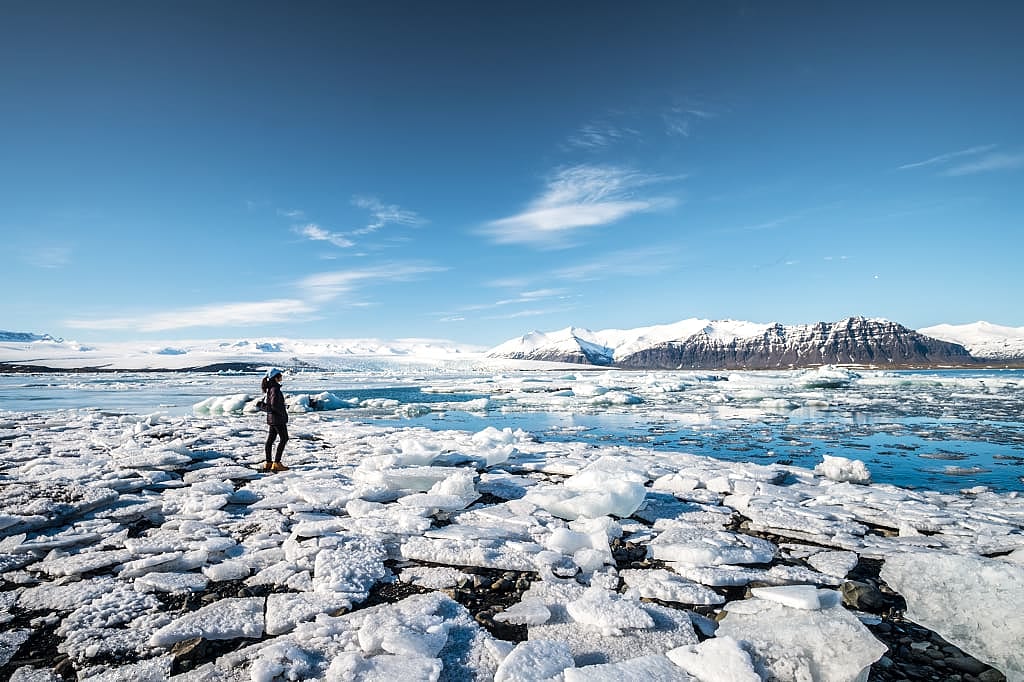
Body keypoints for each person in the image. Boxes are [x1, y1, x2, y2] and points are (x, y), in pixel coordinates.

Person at [261, 368, 289, 472]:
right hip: (277, 419)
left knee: (270, 440)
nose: (282, 377)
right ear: (276, 377)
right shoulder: (275, 389)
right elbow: (273, 405)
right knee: (284, 438)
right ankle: (277, 463)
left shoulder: (271, 388)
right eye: (280, 375)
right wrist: (282, 413)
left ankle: (268, 463)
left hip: (273, 418)